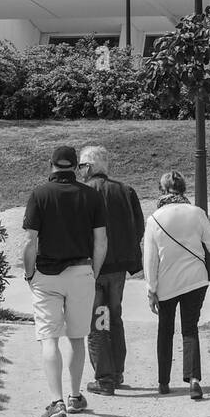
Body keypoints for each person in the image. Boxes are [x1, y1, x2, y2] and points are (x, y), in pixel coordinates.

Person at [22, 144, 108, 417]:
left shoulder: (39, 194)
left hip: (46, 274)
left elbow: (30, 242)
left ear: (52, 165)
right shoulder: (91, 195)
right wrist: (93, 271)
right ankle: (74, 396)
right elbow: (101, 241)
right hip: (82, 269)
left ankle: (56, 401)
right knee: (76, 337)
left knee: (49, 338)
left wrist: (29, 273)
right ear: (75, 166)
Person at [143, 169, 210, 401]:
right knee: (190, 327)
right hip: (195, 279)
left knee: (165, 330)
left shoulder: (155, 218)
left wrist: (151, 289)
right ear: (184, 189)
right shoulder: (196, 213)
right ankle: (194, 380)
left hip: (166, 282)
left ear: (162, 190)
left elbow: (150, 258)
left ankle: (163, 381)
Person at [78, 145, 144, 396]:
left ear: (91, 167)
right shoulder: (125, 190)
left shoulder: (83, 193)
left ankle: (104, 378)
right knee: (114, 317)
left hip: (94, 267)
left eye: (82, 166)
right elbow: (138, 227)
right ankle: (116, 372)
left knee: (98, 321)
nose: (80, 171)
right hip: (118, 269)